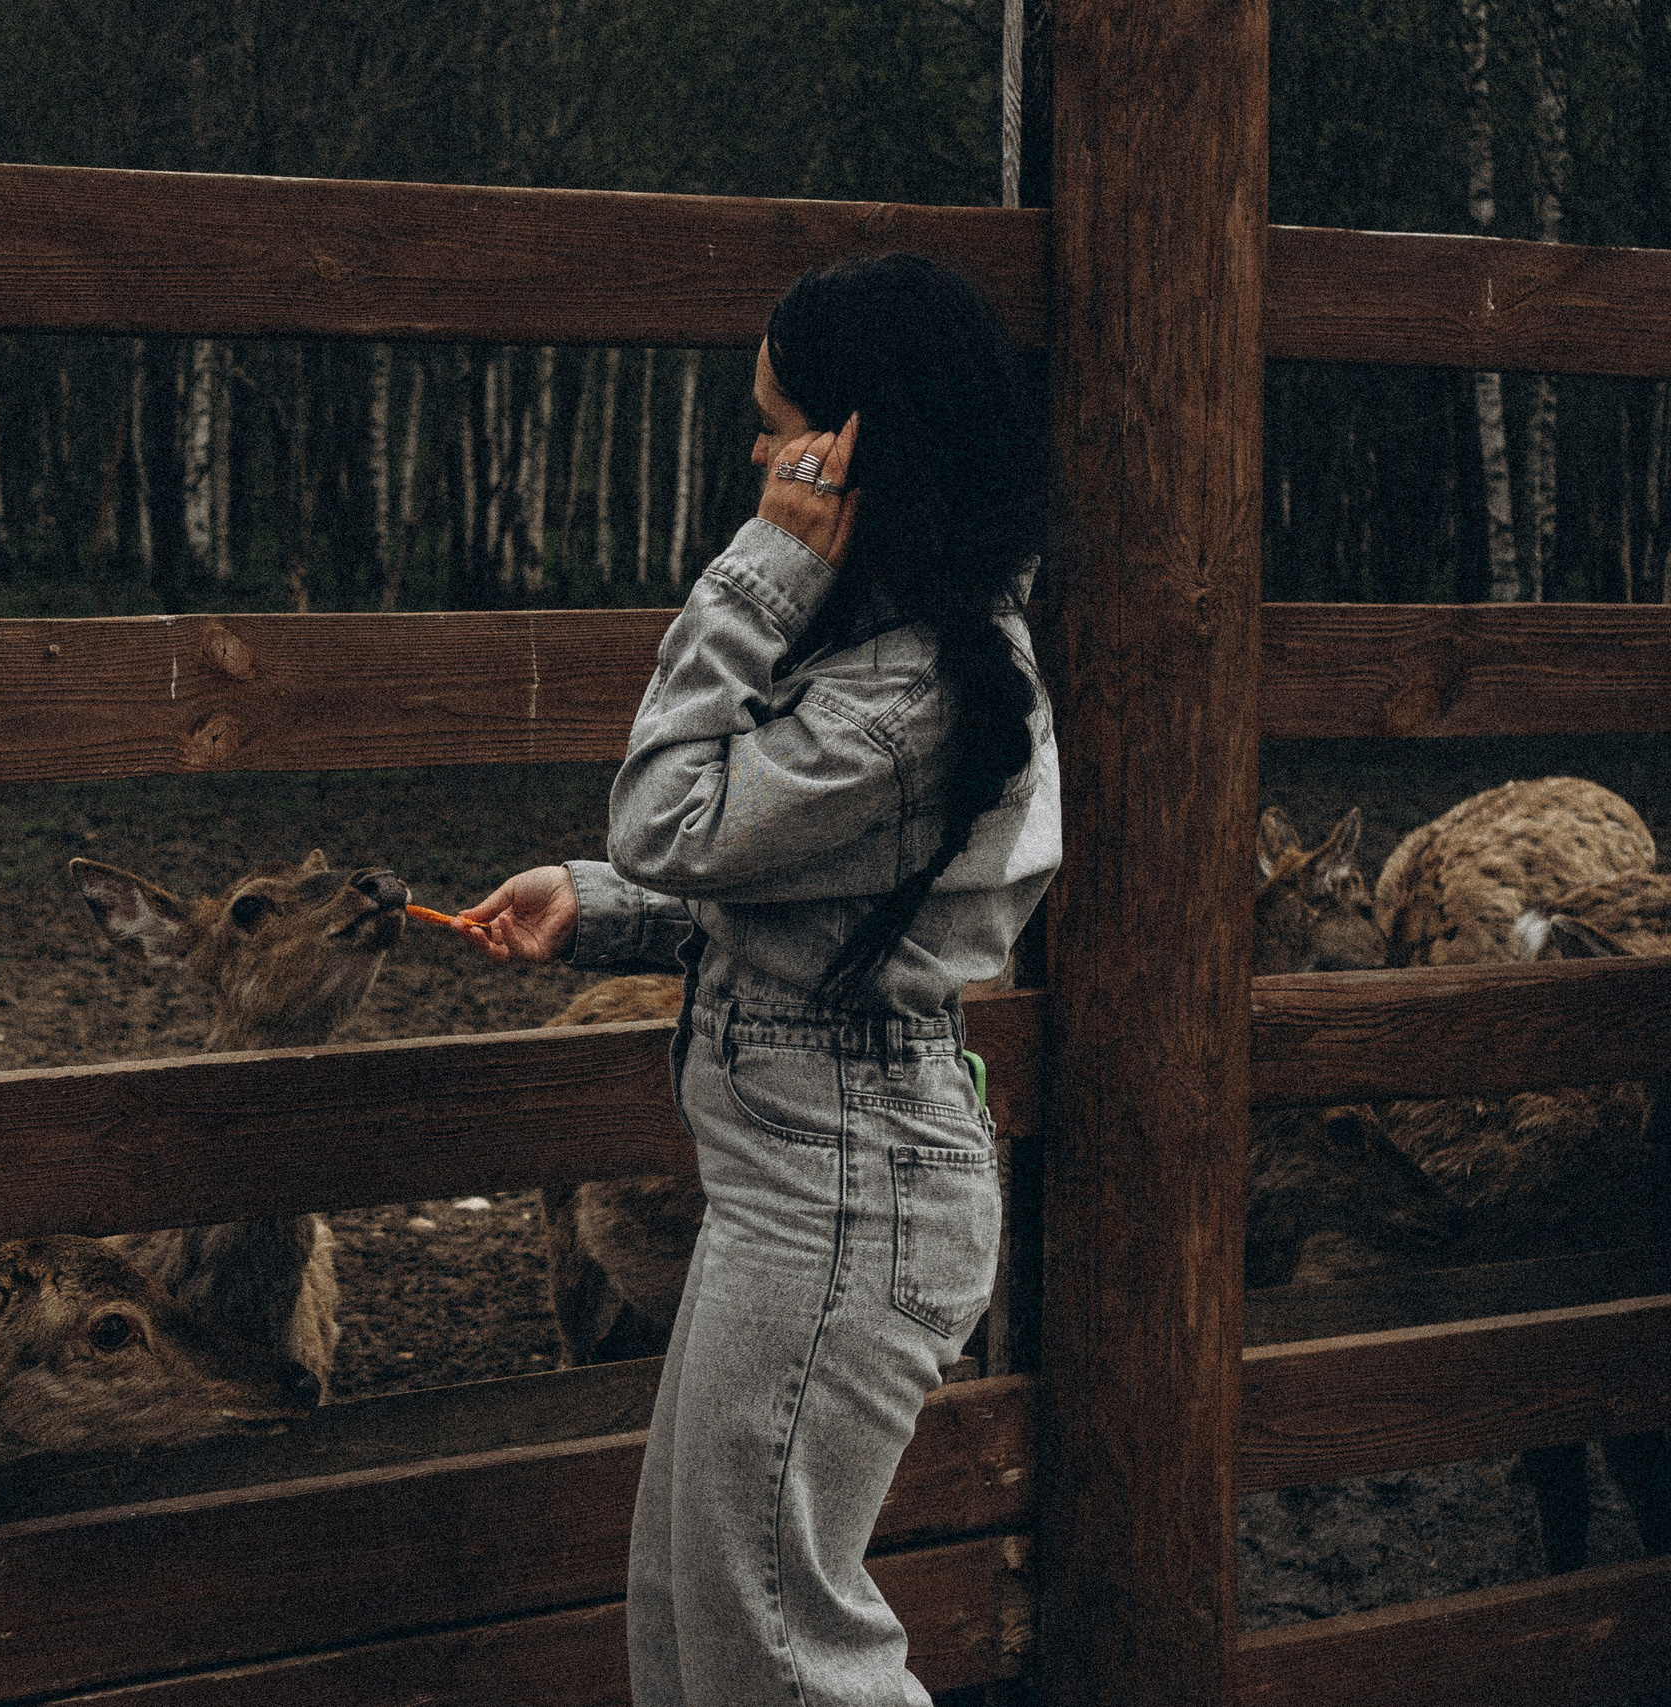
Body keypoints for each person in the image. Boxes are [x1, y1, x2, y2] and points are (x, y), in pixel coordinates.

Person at [462, 251, 1060, 1707]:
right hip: (811, 1182)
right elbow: (790, 893)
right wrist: (601, 908)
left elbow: (664, 818)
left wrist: (763, 567)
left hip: (844, 1196)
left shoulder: (908, 695)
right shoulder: (902, 657)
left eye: (774, 427)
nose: (755, 459)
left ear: (853, 453)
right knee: (695, 1626)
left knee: (778, 1657)